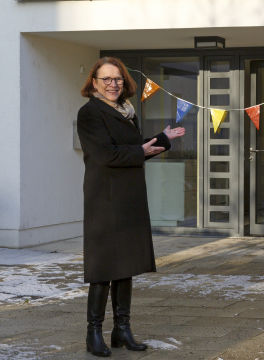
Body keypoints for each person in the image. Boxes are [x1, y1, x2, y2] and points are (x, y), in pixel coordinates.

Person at [77, 57, 185, 357]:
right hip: (105, 199)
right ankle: (93, 332)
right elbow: (106, 155)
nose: (113, 84)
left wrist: (162, 139)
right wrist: (140, 149)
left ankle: (121, 330)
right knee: (103, 268)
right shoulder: (89, 113)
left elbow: (136, 151)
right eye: (106, 79)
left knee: (126, 267)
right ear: (94, 83)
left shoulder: (127, 112)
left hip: (130, 197)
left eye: (118, 79)